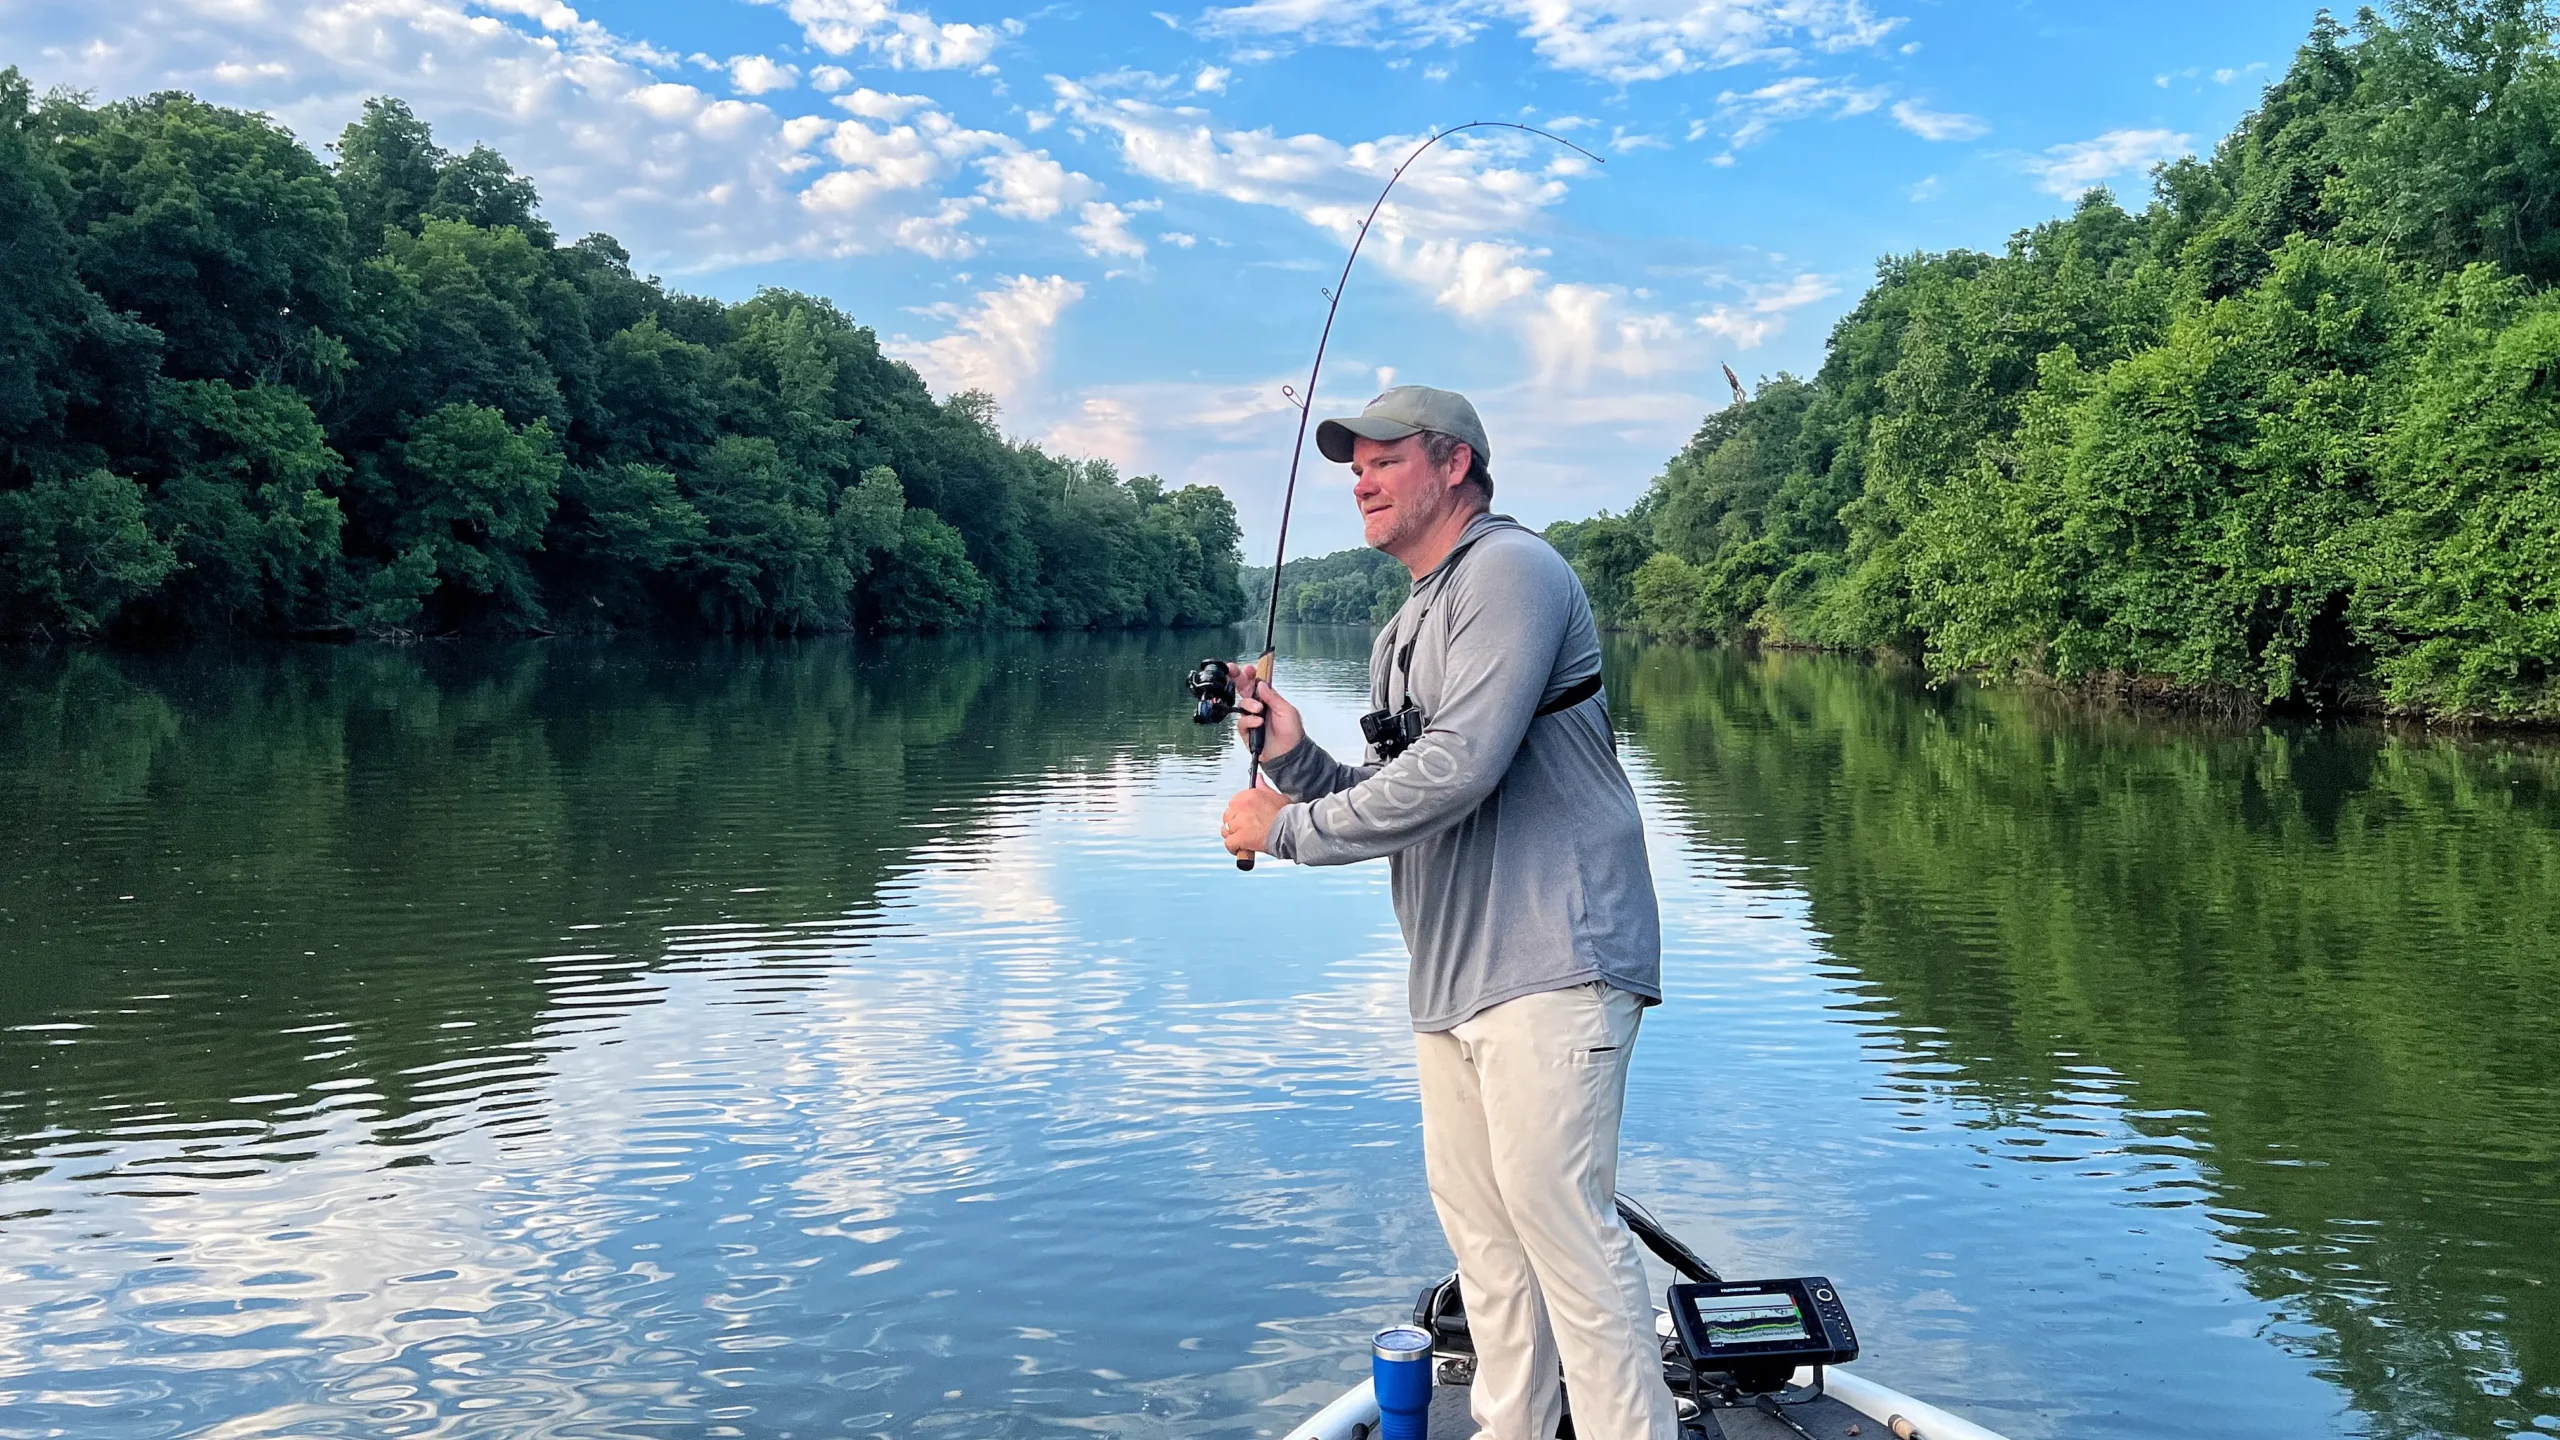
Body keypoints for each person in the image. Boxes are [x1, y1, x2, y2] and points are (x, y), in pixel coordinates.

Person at [1218, 385, 1677, 1440]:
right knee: (1487, 1247)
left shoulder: (1512, 572)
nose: (1360, 482)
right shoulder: (1403, 625)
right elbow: (1396, 791)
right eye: (1351, 469)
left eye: (1381, 461)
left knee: (1564, 1228)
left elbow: (1459, 769)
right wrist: (1290, 756)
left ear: (1453, 465)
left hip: (1557, 954)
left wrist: (1280, 830)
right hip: (1454, 976)